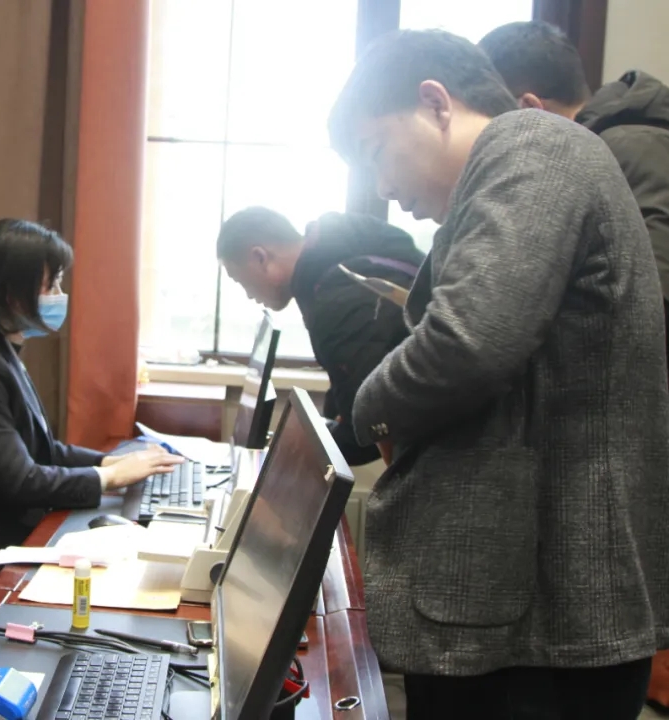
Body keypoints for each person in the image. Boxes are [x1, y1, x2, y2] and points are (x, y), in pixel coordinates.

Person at [328, 29, 669, 719]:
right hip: (521, 609)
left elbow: (468, 340)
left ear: (435, 103)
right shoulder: (517, 165)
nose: (384, 188)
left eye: (376, 152)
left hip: (543, 623)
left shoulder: (532, 146)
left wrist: (364, 415)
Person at [0, 219, 181, 557]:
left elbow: (43, 450)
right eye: (51, 286)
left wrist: (110, 461)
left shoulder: (0, 352)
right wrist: (108, 477)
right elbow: (22, 480)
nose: (59, 296)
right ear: (11, 294)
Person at [479, 21, 669, 365]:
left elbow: (649, 305)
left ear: (529, 112)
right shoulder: (602, 151)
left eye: (494, 134)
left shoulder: (630, 149)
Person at [217, 208, 424, 466]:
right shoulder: (342, 253)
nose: (249, 294)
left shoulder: (336, 301)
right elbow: (349, 386)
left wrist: (290, 453)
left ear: (260, 257)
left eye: (241, 280)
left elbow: (370, 427)